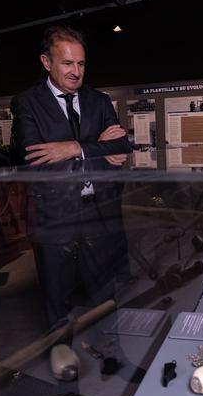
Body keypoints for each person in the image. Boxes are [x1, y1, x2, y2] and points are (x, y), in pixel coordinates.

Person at [11, 25, 132, 325]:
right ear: (46, 62)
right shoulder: (27, 103)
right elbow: (35, 159)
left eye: (81, 63)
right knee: (58, 300)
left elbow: (121, 145)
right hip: (54, 218)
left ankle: (108, 354)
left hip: (98, 214)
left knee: (103, 295)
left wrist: (73, 148)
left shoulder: (99, 101)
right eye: (67, 63)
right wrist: (97, 148)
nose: (76, 71)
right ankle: (62, 358)